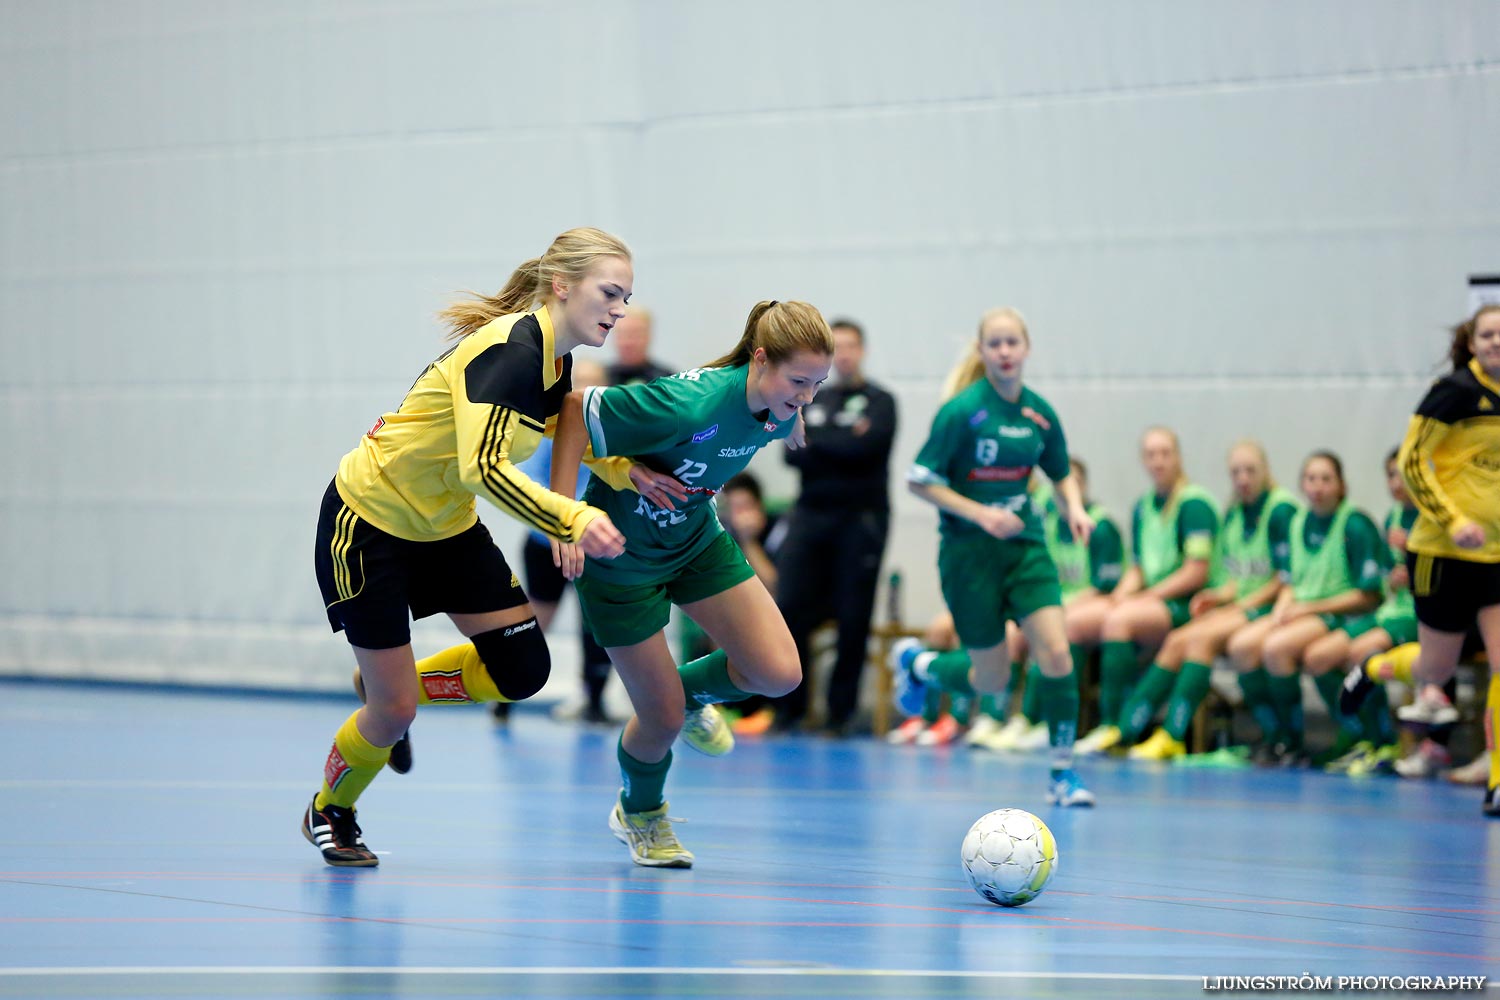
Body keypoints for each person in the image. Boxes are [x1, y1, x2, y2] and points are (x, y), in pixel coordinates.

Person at [304, 228, 635, 866]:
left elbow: (552, 433)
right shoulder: (508, 353)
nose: (620, 309)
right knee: (394, 710)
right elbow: (482, 468)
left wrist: (629, 470)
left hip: (445, 528)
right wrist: (570, 518)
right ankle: (331, 810)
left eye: (627, 296)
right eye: (610, 292)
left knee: (523, 673)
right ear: (562, 287)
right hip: (368, 523)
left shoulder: (553, 357)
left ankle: (383, 693)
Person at [550, 300, 834, 867]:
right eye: (799, 381)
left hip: (694, 544)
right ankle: (642, 812)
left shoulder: (779, 404)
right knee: (659, 719)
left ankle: (687, 694)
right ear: (760, 360)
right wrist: (557, 514)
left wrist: (793, 408)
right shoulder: (687, 403)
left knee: (778, 673)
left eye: (818, 384)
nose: (807, 395)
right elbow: (575, 410)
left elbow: (778, 411)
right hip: (619, 558)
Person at [891, 307, 1097, 807]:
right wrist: (980, 515)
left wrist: (1073, 507)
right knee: (993, 679)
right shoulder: (961, 413)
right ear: (982, 353)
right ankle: (919, 665)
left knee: (1055, 652)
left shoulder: (1039, 414)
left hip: (1025, 547)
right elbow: (919, 480)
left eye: (1013, 343)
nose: (1005, 352)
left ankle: (1062, 775)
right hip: (969, 555)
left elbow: (1058, 467)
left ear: (1026, 349)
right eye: (995, 344)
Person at [1343, 304, 1500, 812]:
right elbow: (1412, 463)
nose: (1497, 342)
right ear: (1472, 343)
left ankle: (1498, 780)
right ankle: (1377, 667)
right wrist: (1455, 521)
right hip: (1441, 553)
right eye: (1487, 334)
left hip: (1497, 555)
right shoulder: (1453, 393)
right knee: (1437, 666)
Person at [1114, 441, 1298, 761]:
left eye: (1250, 470)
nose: (1242, 479)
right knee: (1177, 640)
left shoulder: (1281, 510)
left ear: (1266, 470)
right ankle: (1124, 729)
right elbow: (1234, 579)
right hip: (1245, 604)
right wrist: (1218, 596)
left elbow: (1284, 578)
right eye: (1235, 472)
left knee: (1202, 639)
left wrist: (1240, 603)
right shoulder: (1235, 512)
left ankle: (1175, 734)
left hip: (1274, 604)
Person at [772, 318, 898, 737]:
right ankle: (789, 709)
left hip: (860, 520)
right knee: (789, 606)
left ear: (861, 351)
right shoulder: (809, 395)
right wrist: (841, 441)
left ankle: (840, 713)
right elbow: (790, 454)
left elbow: (868, 450)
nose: (843, 354)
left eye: (850, 346)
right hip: (810, 514)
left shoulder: (881, 401)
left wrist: (819, 440)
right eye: (836, 347)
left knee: (852, 615)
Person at [1224, 451, 1383, 766]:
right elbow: (1289, 581)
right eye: (1311, 479)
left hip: (1340, 612)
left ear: (1341, 485)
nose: (1318, 486)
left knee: (1277, 648)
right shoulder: (1298, 523)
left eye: (1326, 479)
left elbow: (1369, 596)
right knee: (1241, 646)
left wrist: (1307, 607)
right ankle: (1276, 734)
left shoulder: (1355, 524)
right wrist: (1283, 609)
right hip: (1306, 610)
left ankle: (1323, 735)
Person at [1076, 427, 1220, 755]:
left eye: (1165, 453)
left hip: (1189, 604)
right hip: (1154, 600)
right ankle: (1052, 722)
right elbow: (1139, 568)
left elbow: (1196, 571)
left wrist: (1145, 598)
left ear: (1178, 457)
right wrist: (1121, 594)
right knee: (1082, 620)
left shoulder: (1193, 504)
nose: (1158, 461)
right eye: (1151, 455)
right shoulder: (1143, 506)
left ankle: (1115, 724)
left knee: (1119, 622)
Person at [498, 358, 618, 727]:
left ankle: (595, 702)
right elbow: (531, 481)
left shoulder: (613, 432)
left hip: (594, 543)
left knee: (598, 625)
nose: (584, 394)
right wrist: (564, 525)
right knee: (535, 622)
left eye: (594, 386)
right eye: (579, 385)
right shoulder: (549, 429)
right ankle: (503, 694)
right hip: (547, 540)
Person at [605, 305, 675, 387]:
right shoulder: (600, 378)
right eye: (623, 334)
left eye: (635, 335)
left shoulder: (667, 381)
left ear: (648, 336)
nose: (628, 343)